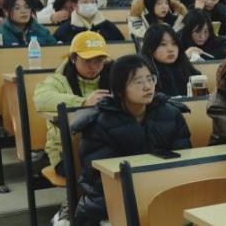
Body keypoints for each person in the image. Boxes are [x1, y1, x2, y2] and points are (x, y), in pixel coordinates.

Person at [71, 55, 191, 225]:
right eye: (138, 82)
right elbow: (100, 179)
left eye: (150, 79)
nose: (147, 86)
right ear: (120, 89)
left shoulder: (171, 114)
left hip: (163, 195)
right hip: (111, 203)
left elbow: (184, 161)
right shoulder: (99, 124)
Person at [34, 31, 112, 176]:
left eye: (99, 60)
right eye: (87, 61)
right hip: (65, 153)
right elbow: (41, 99)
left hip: (105, 146)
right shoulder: (58, 79)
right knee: (99, 174)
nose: (93, 66)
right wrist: (82, 102)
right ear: (73, 58)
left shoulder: (113, 76)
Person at [140, 23, 201, 97]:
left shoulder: (186, 68)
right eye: (163, 44)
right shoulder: (143, 73)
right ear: (150, 48)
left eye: (174, 43)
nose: (170, 49)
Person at [53, 0, 124, 43]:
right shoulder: (65, 30)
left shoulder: (108, 27)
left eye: (92, 2)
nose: (90, 5)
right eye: (85, 2)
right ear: (75, 6)